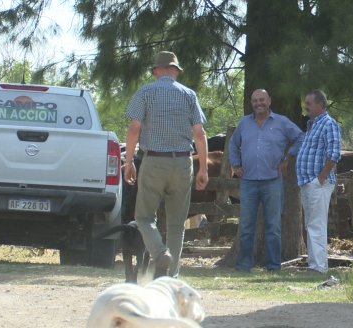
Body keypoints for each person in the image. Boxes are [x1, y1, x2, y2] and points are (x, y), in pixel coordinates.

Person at [123, 51, 209, 278]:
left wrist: (129, 160)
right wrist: (204, 169)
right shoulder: (189, 94)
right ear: (176, 71)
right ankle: (171, 277)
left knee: (143, 217)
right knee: (177, 223)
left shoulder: (145, 92)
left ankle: (160, 253)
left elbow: (134, 128)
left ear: (156, 71)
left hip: (153, 161)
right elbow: (199, 134)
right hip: (183, 162)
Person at [229, 89, 304, 272]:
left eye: (262, 100)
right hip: (248, 181)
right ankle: (243, 266)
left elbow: (301, 137)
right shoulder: (244, 123)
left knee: (273, 226)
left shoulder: (281, 122)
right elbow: (233, 144)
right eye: (255, 101)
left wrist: (287, 158)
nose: (258, 103)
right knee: (246, 225)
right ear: (251, 103)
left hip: (273, 181)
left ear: (269, 101)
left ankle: (273, 266)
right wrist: (235, 164)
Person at [296, 89, 341, 274]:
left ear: (320, 105)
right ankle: (314, 265)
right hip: (308, 181)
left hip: (318, 183)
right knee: (311, 224)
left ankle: (319, 267)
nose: (306, 107)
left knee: (316, 224)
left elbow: (334, 154)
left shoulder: (329, 124)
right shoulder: (312, 125)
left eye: (309, 103)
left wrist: (320, 178)